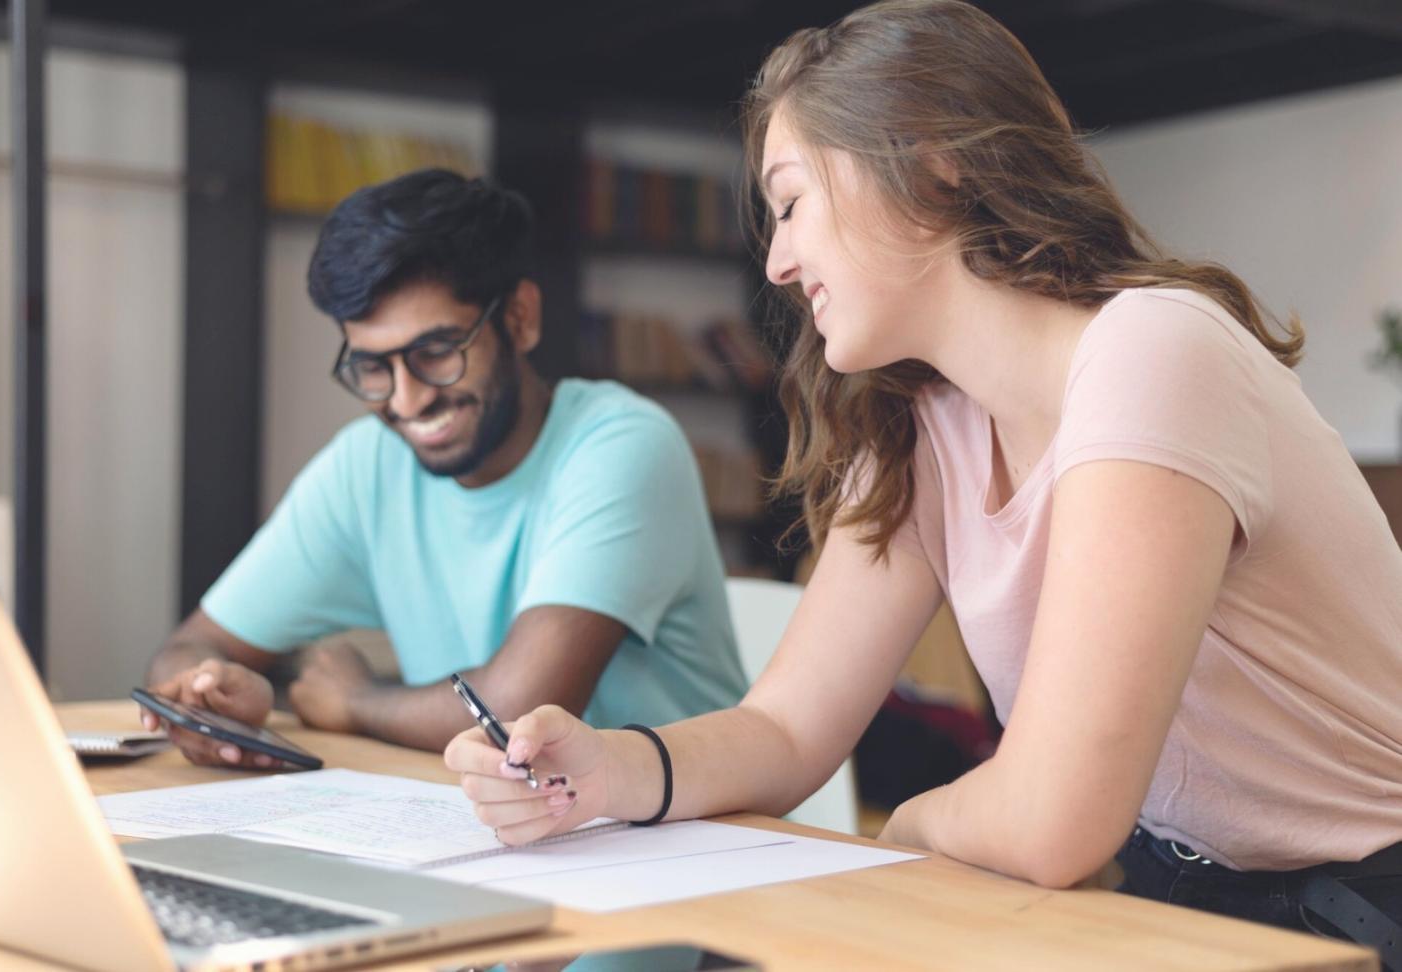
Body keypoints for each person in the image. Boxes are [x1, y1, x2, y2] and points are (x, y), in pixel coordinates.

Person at [446, 0, 1402, 960]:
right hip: (1188, 894)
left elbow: (1051, 820)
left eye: (790, 203)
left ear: (932, 160)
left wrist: (905, 829)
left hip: (1372, 905)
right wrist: (603, 772)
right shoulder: (920, 422)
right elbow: (785, 729)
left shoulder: (1152, 350)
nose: (777, 261)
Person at [140, 168, 748, 765]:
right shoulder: (366, 467)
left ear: (520, 319)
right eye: (374, 367)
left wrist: (357, 701)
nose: (407, 401)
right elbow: (190, 645)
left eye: (436, 352)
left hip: (702, 845)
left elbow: (521, 711)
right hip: (510, 833)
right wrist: (206, 696)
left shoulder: (622, 445)